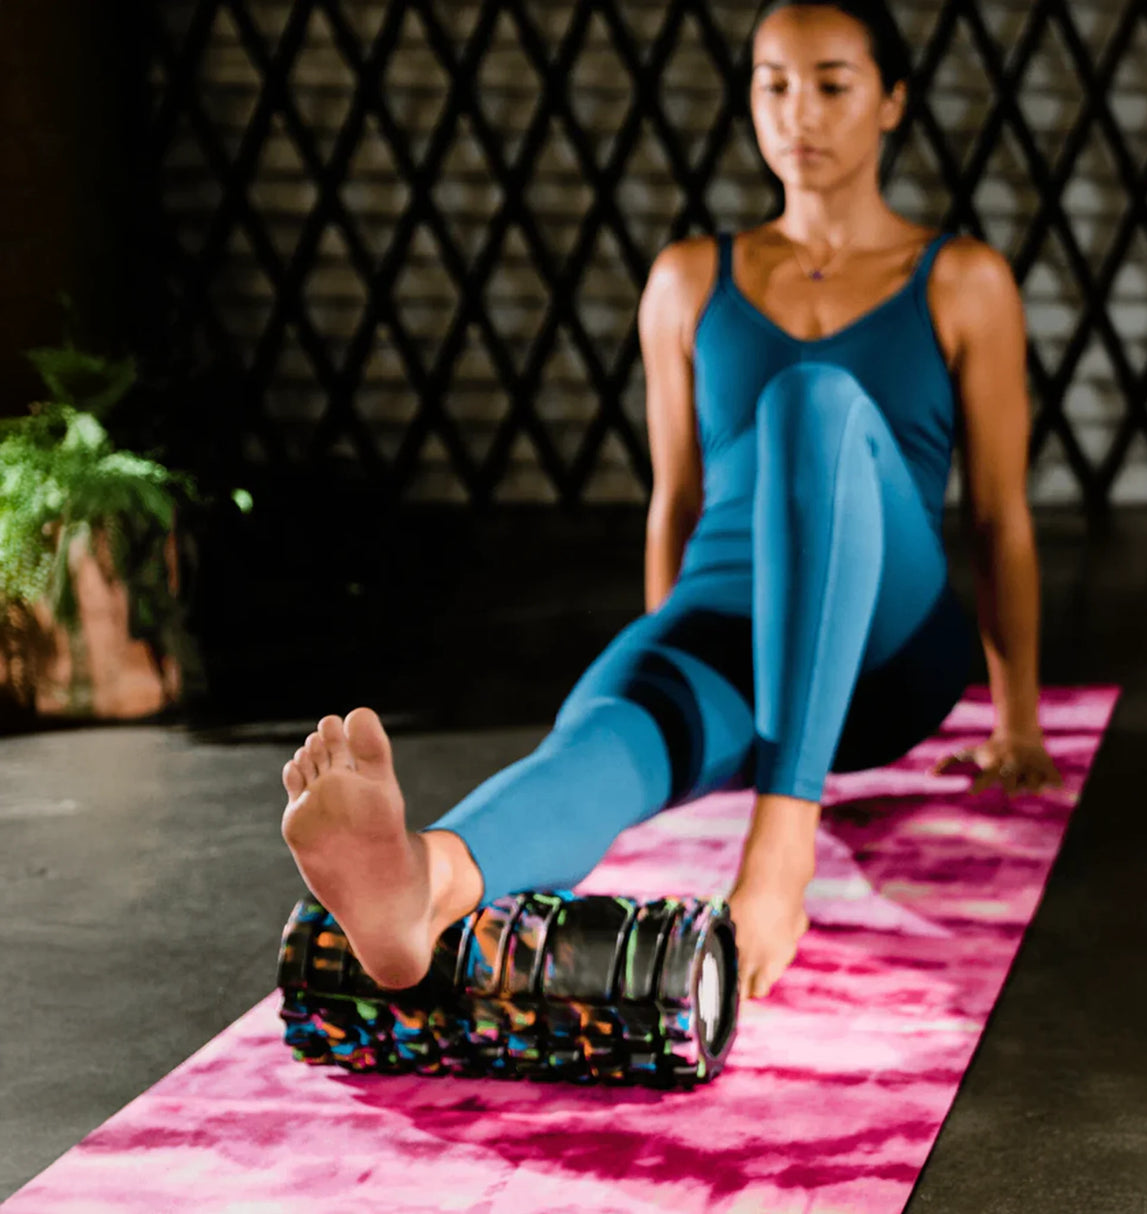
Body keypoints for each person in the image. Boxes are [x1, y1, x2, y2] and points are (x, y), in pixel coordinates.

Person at [279, 0, 1063, 1006]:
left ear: (891, 102)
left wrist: (1019, 722)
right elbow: (676, 500)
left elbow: (1000, 514)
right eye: (771, 85)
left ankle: (781, 852)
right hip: (726, 625)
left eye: (830, 84)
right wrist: (658, 652)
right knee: (602, 738)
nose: (796, 113)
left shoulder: (960, 279)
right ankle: (420, 882)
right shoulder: (690, 279)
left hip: (887, 648)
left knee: (812, 397)